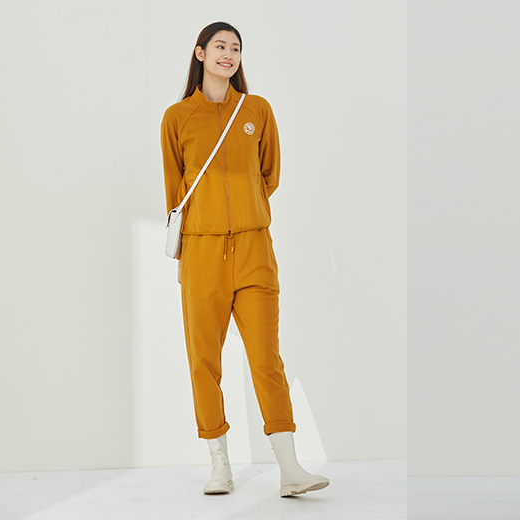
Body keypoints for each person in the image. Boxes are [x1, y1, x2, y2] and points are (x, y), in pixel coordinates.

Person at [160, 21, 329, 498]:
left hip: (255, 249)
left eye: (235, 48)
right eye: (220, 46)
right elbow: (174, 190)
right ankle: (220, 465)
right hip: (201, 251)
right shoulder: (177, 117)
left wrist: (246, 210)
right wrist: (205, 226)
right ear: (200, 53)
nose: (228, 54)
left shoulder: (256, 110)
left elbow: (268, 175)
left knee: (266, 358)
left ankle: (290, 468)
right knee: (203, 360)